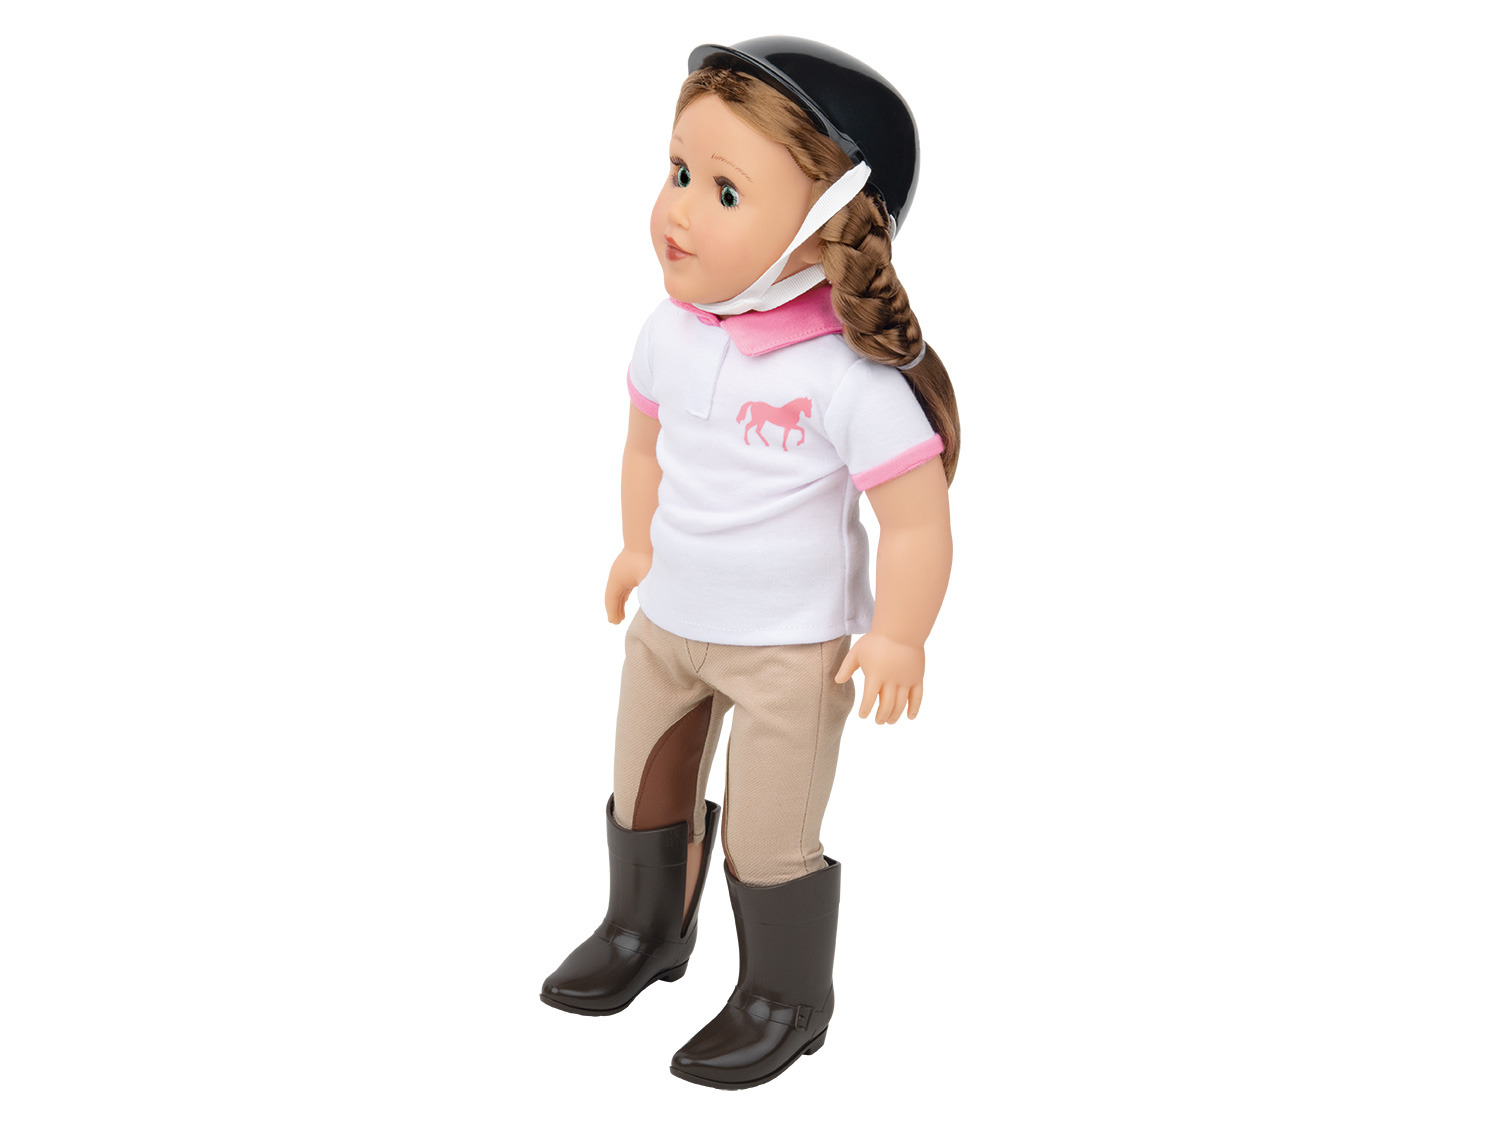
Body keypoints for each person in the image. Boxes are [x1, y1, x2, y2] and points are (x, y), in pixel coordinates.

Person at [540, 37, 958, 1090]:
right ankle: (644, 927)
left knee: (771, 837)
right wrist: (638, 544)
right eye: (678, 170)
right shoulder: (668, 332)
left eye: (723, 191)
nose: (678, 210)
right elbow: (646, 448)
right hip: (669, 625)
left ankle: (785, 993)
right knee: (644, 789)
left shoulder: (848, 378)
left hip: (790, 651)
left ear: (826, 230)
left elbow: (914, 520)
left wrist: (899, 634)